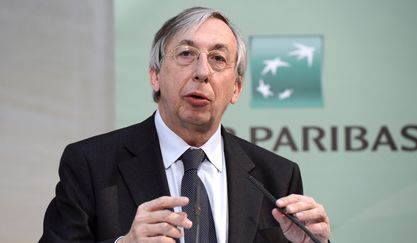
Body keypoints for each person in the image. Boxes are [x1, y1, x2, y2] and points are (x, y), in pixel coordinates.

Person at [40, 6, 330, 243]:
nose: (202, 72)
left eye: (218, 58)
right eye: (186, 54)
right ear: (155, 75)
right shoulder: (90, 164)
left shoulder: (277, 176)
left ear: (237, 88)